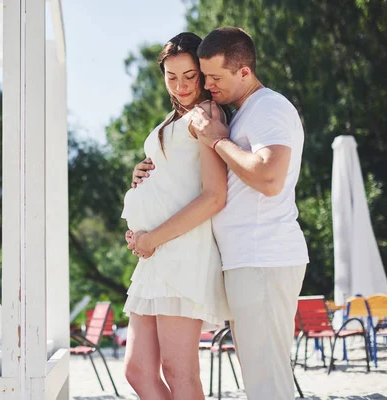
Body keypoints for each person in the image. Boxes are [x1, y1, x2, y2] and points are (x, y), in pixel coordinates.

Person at [130, 27, 309, 400]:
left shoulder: (255, 110)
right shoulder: (240, 114)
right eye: (173, 76)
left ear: (243, 71)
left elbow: (257, 181)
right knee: (258, 377)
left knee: (264, 381)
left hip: (258, 255)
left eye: (205, 77)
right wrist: (145, 176)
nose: (205, 86)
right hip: (239, 258)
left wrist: (215, 139)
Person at [121, 32, 231, 400]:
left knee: (180, 373)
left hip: (183, 252)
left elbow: (214, 197)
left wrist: (152, 237)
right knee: (137, 371)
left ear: (202, 73)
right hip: (155, 255)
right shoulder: (174, 118)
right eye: (172, 77)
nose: (181, 85)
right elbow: (173, 178)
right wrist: (141, 181)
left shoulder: (206, 116)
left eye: (189, 76)